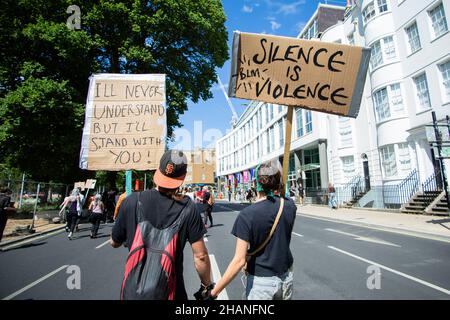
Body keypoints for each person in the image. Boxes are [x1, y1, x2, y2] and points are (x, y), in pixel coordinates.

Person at [110, 150, 213, 300]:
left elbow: (114, 242)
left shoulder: (131, 201)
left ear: (158, 171)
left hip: (132, 292)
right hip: (171, 292)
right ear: (182, 178)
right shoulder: (188, 208)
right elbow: (201, 256)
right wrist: (206, 286)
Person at [210, 160, 297, 300]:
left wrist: (214, 293)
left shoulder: (248, 215)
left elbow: (239, 260)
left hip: (261, 284)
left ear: (256, 183)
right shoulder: (289, 206)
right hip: (286, 278)